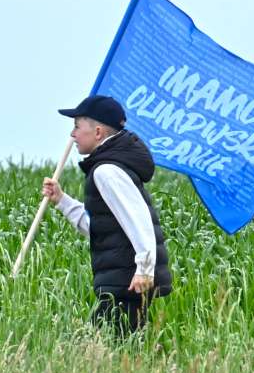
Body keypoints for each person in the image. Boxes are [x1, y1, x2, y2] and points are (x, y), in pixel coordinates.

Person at [41, 95, 172, 336]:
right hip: (122, 281)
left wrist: (144, 269)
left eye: (77, 127)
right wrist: (61, 200)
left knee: (101, 348)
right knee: (122, 350)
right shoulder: (106, 168)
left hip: (126, 281)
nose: (72, 135)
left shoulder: (107, 171)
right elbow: (99, 227)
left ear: (98, 131)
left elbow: (138, 219)